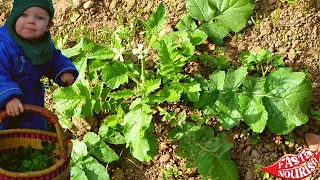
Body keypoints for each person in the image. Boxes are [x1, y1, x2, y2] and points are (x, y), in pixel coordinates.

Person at [0, 0, 78, 130]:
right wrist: (9, 97)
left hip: (31, 97)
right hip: (3, 97)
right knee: (4, 132)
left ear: (48, 26)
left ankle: (34, 147)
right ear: (13, 17)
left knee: (34, 129)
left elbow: (54, 58)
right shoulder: (4, 45)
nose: (31, 21)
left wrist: (63, 70)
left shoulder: (43, 44)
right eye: (24, 15)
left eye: (39, 17)